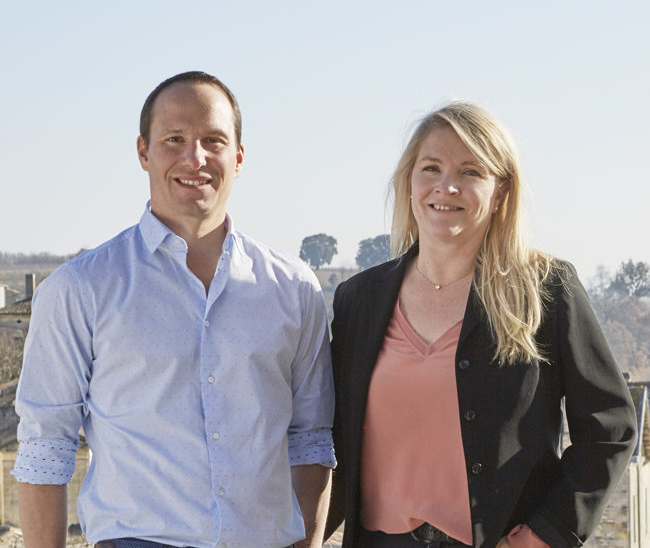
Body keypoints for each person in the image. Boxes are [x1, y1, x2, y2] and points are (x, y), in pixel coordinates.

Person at [13, 71, 335, 548]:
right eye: (175, 139)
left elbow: (311, 438)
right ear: (143, 151)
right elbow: (46, 446)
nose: (195, 158)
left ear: (239, 157)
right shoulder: (80, 289)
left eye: (213, 140)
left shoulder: (294, 289)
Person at [325, 102, 637, 548]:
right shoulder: (360, 299)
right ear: (409, 182)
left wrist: (545, 535)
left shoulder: (546, 290)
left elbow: (610, 428)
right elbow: (330, 435)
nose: (446, 186)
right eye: (430, 168)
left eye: (471, 172)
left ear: (501, 192)